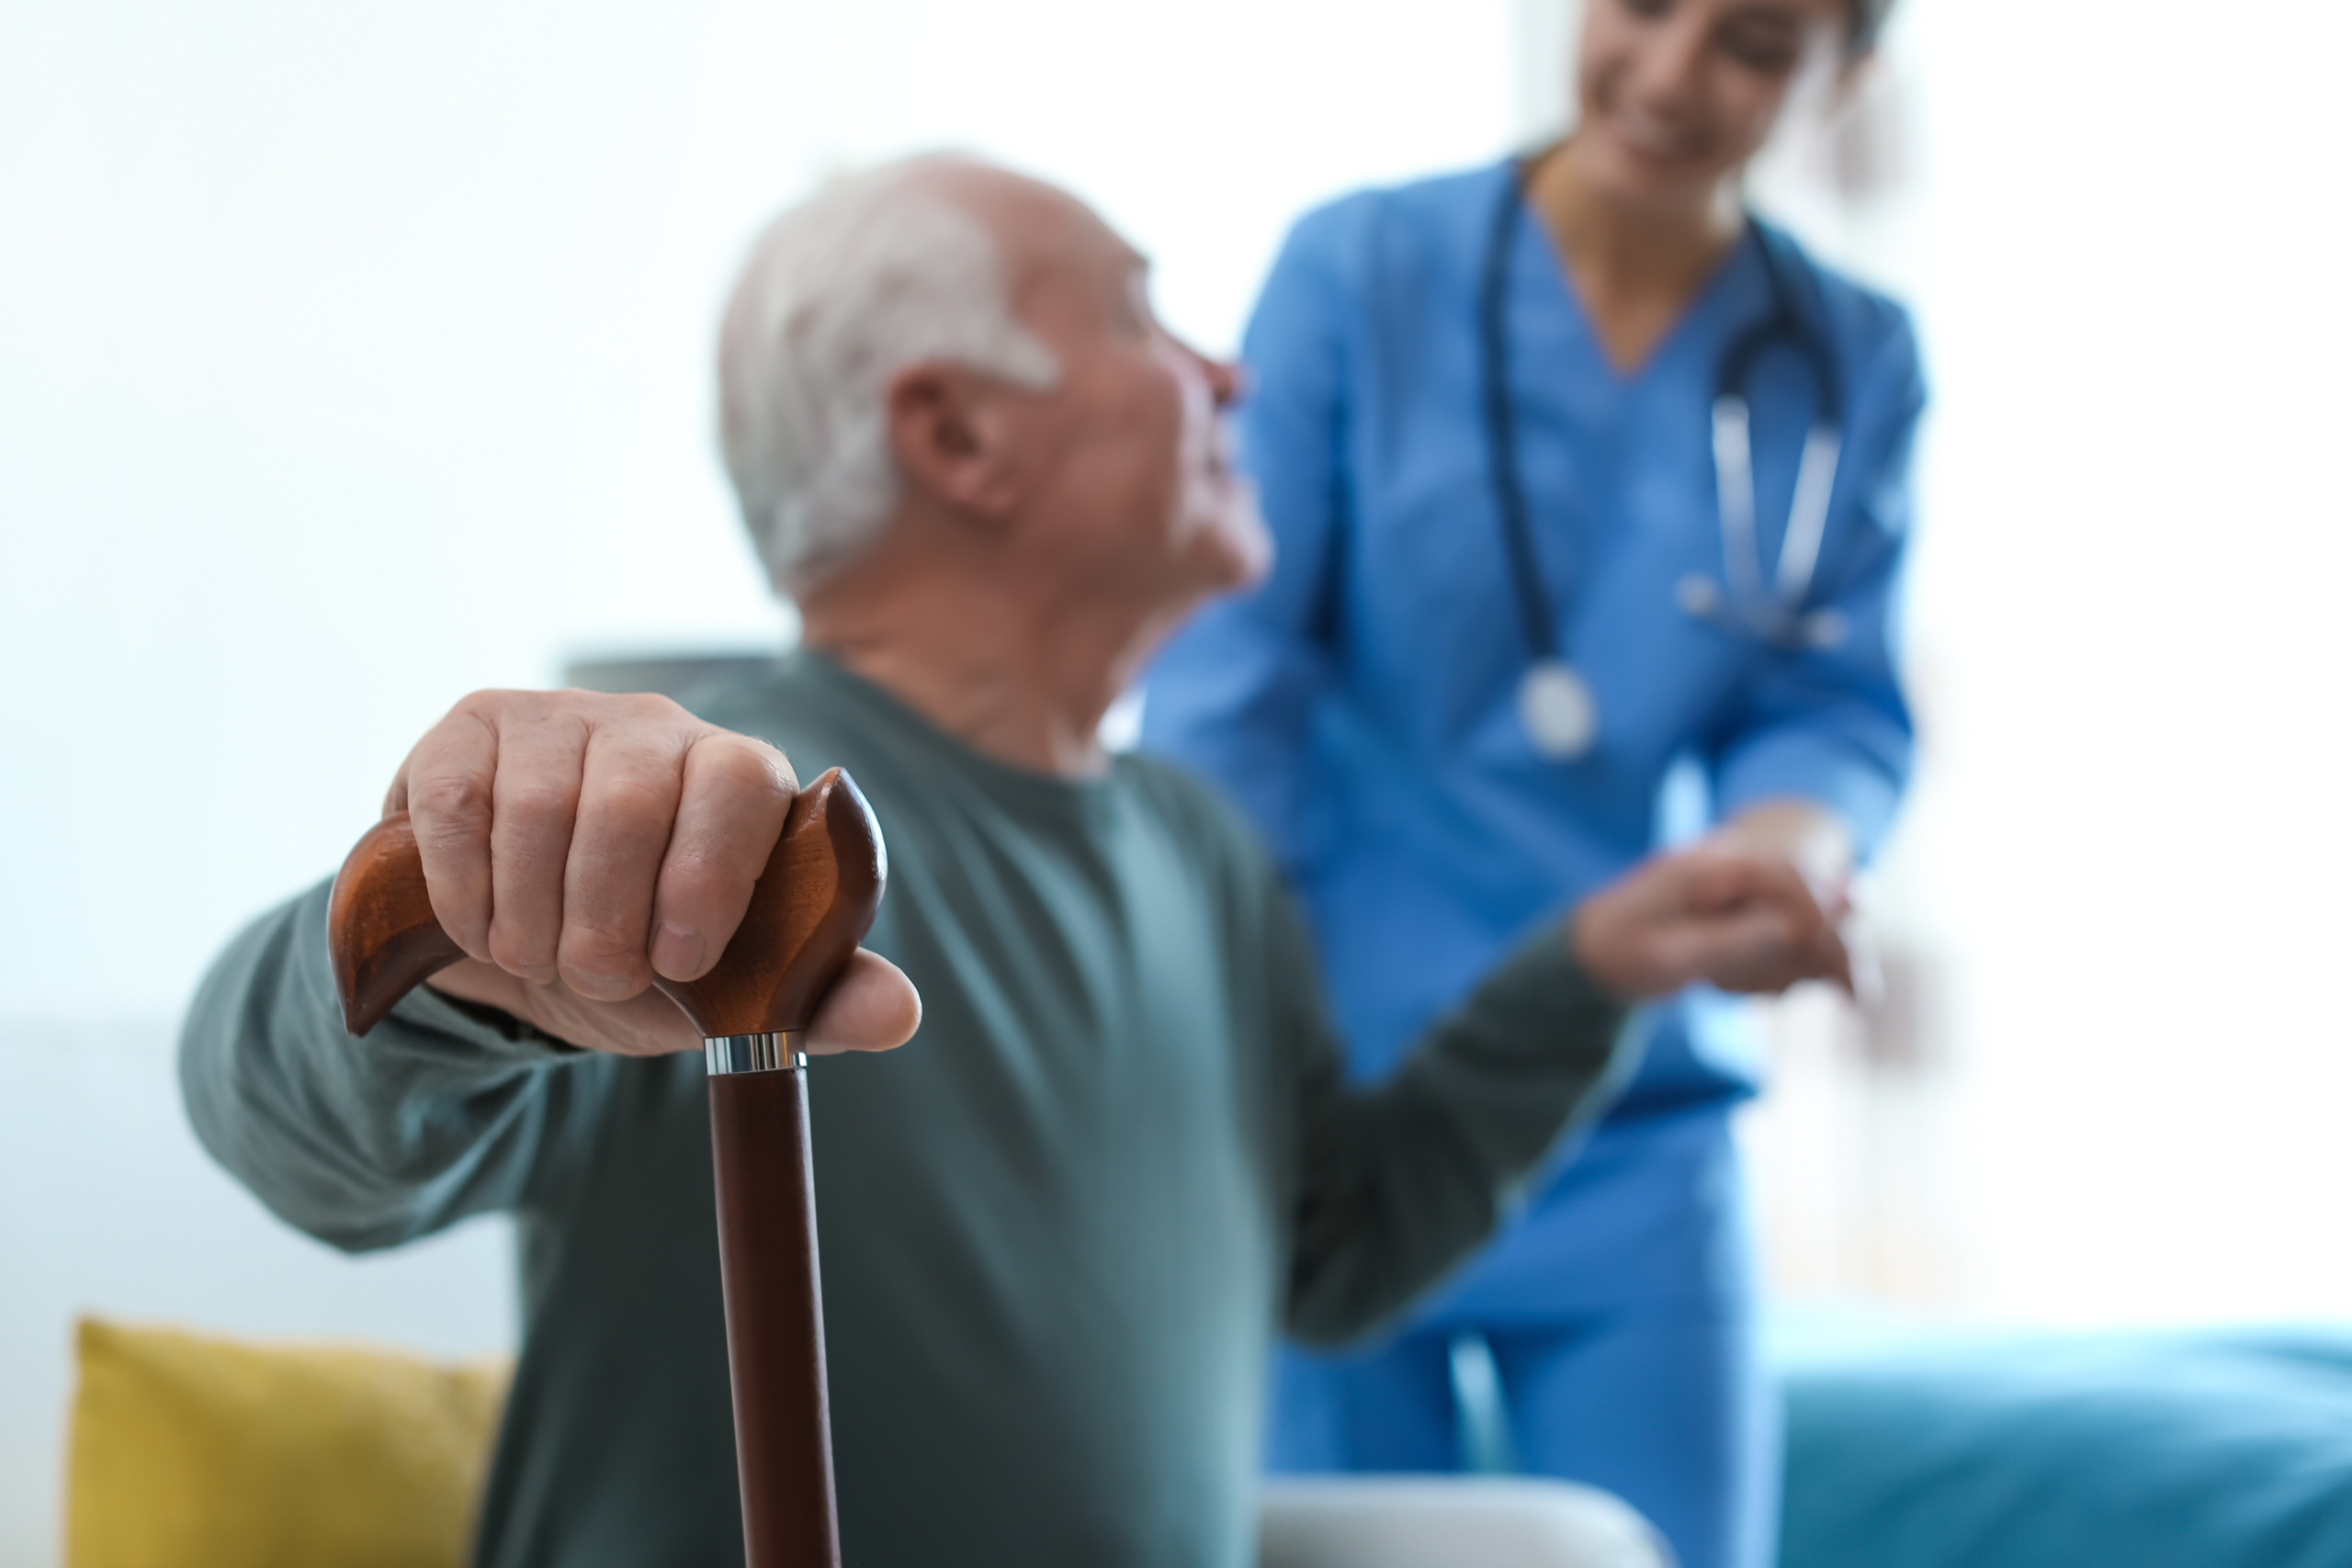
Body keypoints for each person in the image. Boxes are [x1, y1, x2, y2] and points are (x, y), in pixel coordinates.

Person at [181, 155, 1852, 1568]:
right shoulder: (694, 820)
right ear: (958, 436)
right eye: (1143, 316)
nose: (1232, 376)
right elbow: (283, 1122)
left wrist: (1592, 973)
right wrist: (450, 935)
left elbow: (1334, 1253)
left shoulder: (1198, 848)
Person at [1139, 3, 1922, 1566]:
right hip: (1337, 1102)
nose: (1669, 75)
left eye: (1754, 45)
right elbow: (1230, 690)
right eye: (1641, 6)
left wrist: (1786, 843)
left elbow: (1827, 695)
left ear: (1845, 80)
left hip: (1631, 1112)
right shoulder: (1363, 273)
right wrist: (1214, 1039)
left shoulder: (1846, 352)